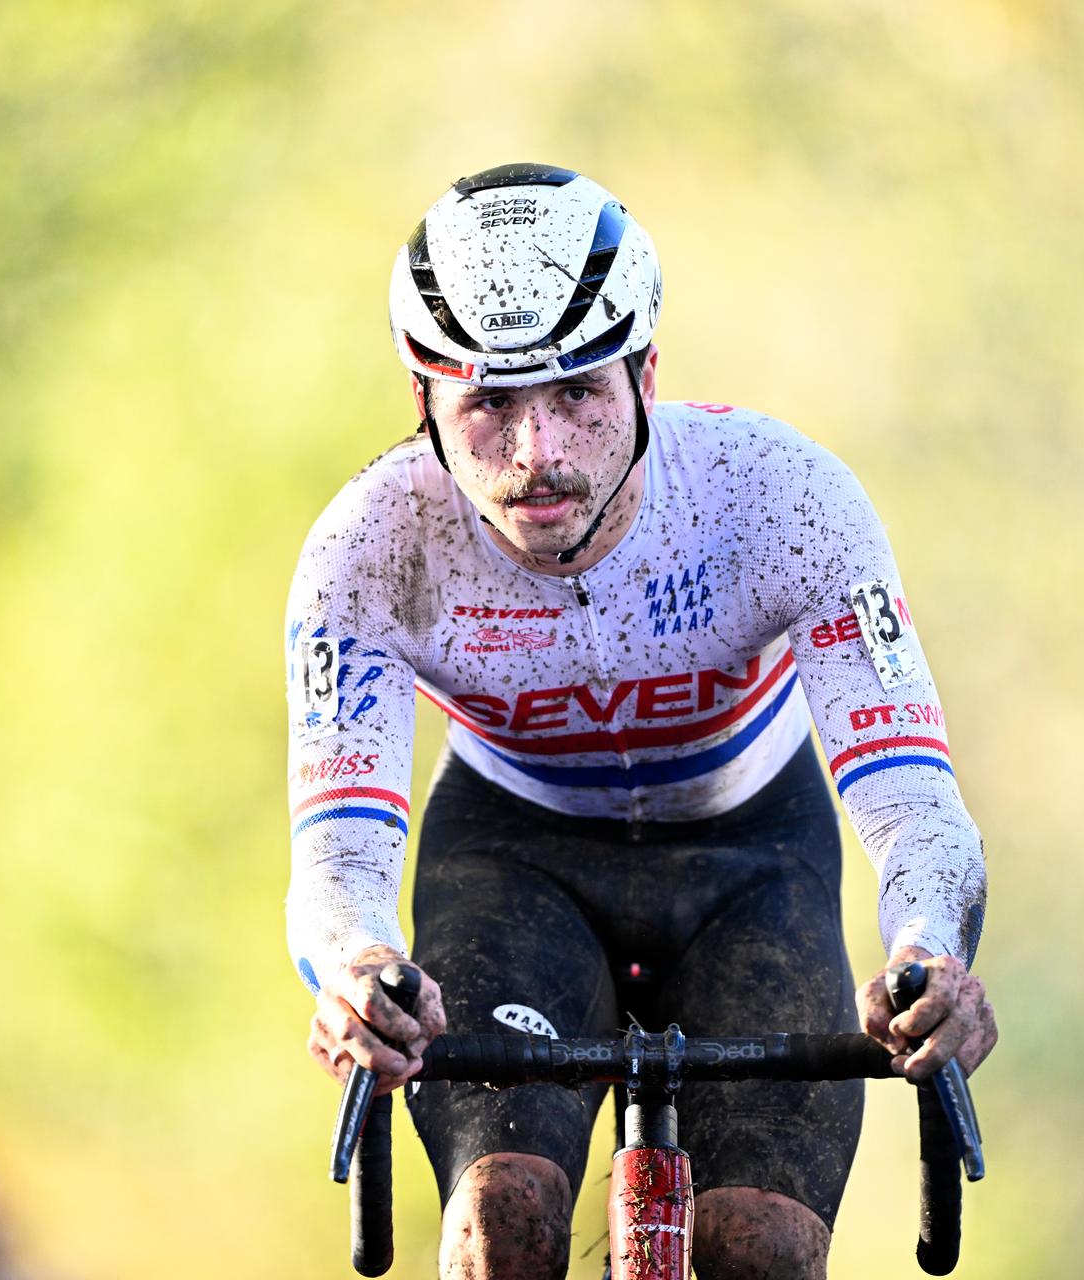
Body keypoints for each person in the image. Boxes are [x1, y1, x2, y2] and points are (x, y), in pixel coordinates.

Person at [286, 162, 995, 1279]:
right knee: (498, 1229)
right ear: (421, 400)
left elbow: (912, 798)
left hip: (751, 851)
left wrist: (930, 957)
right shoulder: (368, 552)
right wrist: (356, 965)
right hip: (515, 857)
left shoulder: (783, 500)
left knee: (761, 1246)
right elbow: (337, 849)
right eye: (489, 406)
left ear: (647, 373)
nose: (539, 458)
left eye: (578, 394)